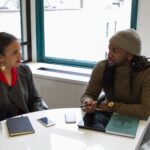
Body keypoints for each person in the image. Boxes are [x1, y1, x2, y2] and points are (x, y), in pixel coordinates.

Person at [80, 28, 150, 120]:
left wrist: (110, 106)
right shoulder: (101, 67)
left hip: (138, 122)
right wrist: (87, 101)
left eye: (115, 51)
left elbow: (145, 111)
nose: (109, 54)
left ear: (130, 55)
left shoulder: (146, 73)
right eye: (109, 49)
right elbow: (89, 94)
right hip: (109, 118)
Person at [0, 32, 48, 121]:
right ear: (1, 57)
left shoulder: (24, 70)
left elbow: (35, 100)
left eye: (20, 50)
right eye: (15, 53)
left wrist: (39, 115)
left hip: (29, 123)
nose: (20, 55)